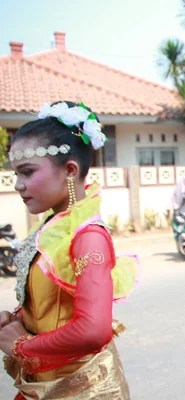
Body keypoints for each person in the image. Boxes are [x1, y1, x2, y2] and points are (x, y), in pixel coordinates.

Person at [0, 101, 139, 399]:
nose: (18, 185)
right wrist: (19, 319)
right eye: (16, 174)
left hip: (80, 389)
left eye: (27, 172)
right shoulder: (52, 227)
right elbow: (52, 302)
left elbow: (93, 330)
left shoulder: (87, 236)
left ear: (70, 170)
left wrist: (21, 345)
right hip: (46, 384)